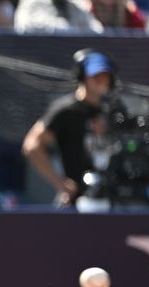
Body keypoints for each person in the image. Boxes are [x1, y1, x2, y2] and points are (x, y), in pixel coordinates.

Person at [22, 49, 116, 207]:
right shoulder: (66, 111)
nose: (101, 80)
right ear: (83, 77)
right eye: (96, 75)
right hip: (78, 202)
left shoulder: (112, 111)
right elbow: (31, 146)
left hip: (113, 200)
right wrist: (60, 182)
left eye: (105, 76)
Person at [14, 0, 103, 32]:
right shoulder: (32, 3)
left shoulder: (75, 4)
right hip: (37, 62)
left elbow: (98, 31)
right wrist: (75, 29)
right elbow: (28, 28)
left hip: (68, 61)